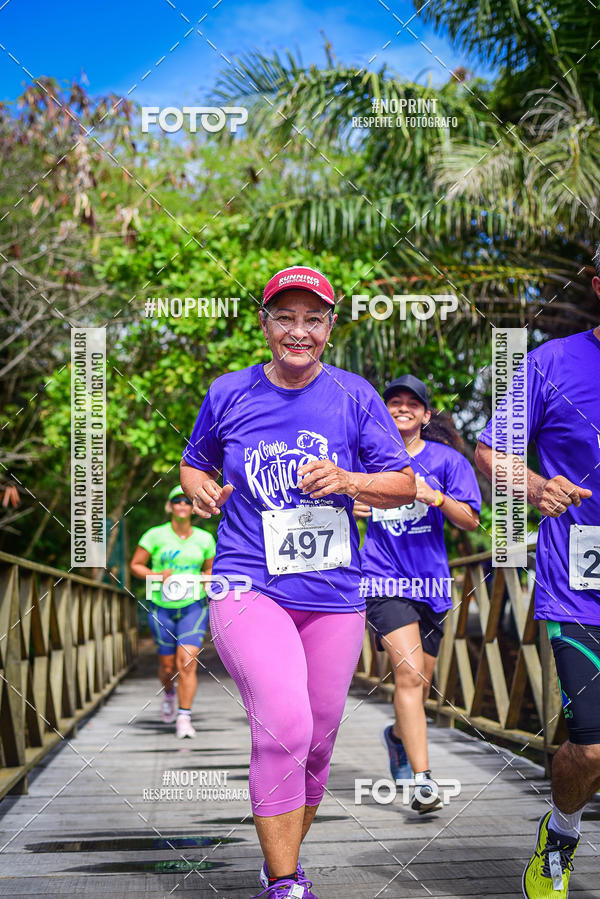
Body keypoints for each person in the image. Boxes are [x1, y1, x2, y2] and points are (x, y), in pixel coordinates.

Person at [179, 265, 416, 899]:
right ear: (265, 324)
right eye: (285, 317)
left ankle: (279, 860)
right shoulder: (229, 391)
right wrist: (200, 489)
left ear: (330, 328)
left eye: (313, 319)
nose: (298, 331)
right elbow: (193, 463)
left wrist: (350, 480)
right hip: (247, 582)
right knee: (284, 724)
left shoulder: (355, 395)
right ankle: (285, 883)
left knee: (318, 738)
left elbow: (403, 485)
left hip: (334, 595)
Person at [475, 250, 600, 899]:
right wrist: (534, 486)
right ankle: (562, 831)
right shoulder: (552, 362)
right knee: (593, 748)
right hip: (580, 586)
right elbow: (490, 451)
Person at [355, 374, 481, 813]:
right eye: (394, 401)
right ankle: (423, 782)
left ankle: (396, 737)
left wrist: (434, 496)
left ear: (426, 415)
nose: (403, 408)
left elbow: (471, 520)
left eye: (413, 403)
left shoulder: (447, 461)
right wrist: (351, 501)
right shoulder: (367, 459)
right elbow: (333, 500)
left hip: (431, 585)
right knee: (408, 675)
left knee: (420, 683)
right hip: (382, 581)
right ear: (383, 412)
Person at [130, 484, 216, 738]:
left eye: (187, 501)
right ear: (169, 506)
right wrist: (157, 575)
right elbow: (136, 565)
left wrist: (207, 577)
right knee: (168, 667)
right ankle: (168, 693)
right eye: (177, 501)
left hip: (193, 605)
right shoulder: (154, 535)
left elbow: (210, 569)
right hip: (162, 606)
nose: (182, 505)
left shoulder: (205, 539)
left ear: (193, 507)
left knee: (187, 662)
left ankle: (184, 717)